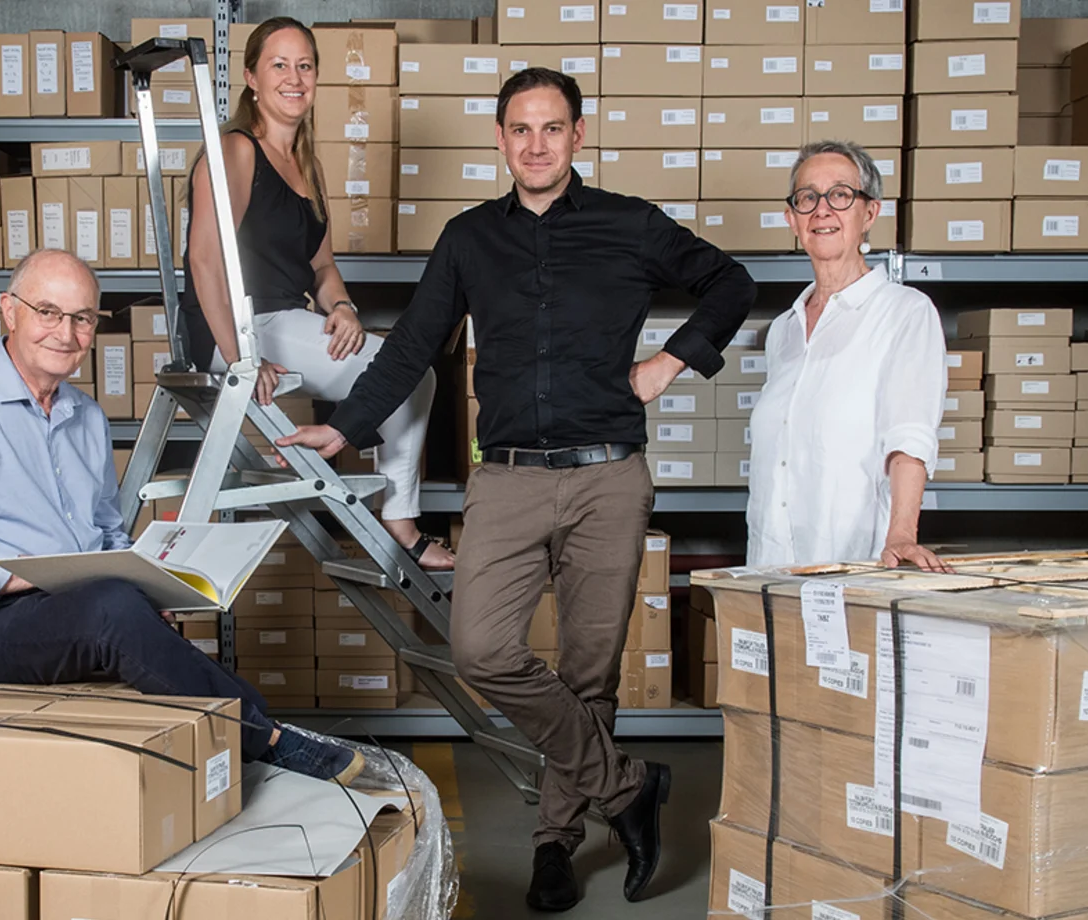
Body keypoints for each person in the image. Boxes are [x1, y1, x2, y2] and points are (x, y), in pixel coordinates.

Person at [276, 68, 757, 911]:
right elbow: (414, 343)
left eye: (552, 128)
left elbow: (732, 283)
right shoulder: (468, 240)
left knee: (588, 671)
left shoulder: (627, 224)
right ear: (500, 140)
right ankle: (626, 787)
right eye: (520, 130)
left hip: (608, 475)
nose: (536, 144)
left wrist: (667, 362)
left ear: (578, 135)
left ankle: (554, 843)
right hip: (505, 478)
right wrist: (345, 428)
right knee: (480, 649)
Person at [0, 248, 364, 785]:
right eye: (48, 312)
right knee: (111, 607)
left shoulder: (86, 417)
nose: (65, 334)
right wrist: (27, 574)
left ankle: (259, 726)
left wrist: (151, 587)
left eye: (83, 318)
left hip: (73, 608)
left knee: (126, 602)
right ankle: (270, 739)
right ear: (10, 311)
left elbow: (105, 532)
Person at [179, 16, 451, 570]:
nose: (294, 77)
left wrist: (343, 307)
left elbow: (321, 264)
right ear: (252, 77)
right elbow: (204, 260)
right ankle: (398, 517)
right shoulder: (235, 150)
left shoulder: (305, 164)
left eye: (305, 65)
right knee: (407, 374)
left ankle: (392, 506)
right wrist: (240, 359)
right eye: (279, 64)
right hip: (236, 329)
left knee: (415, 374)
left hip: (286, 320)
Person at [746, 140, 949, 571]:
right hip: (769, 570)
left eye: (840, 195)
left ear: (869, 213)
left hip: (852, 570)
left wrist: (901, 535)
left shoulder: (903, 312)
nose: (822, 210)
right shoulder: (783, 331)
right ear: (792, 219)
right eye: (807, 198)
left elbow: (909, 435)